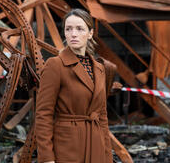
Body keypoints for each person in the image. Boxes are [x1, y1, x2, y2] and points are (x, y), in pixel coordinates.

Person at [35, 9, 113, 163]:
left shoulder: (99, 68)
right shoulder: (55, 65)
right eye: (68, 29)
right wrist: (47, 158)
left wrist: (107, 156)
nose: (73, 34)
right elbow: (43, 115)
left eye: (79, 29)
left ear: (90, 33)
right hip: (68, 148)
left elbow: (102, 116)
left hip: (96, 146)